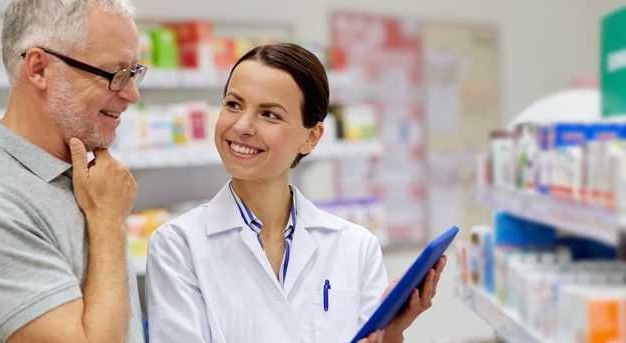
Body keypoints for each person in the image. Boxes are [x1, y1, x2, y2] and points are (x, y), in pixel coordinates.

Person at [145, 43, 446, 343]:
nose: (242, 126)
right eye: (234, 105)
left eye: (270, 115)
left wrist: (392, 334)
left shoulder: (356, 247)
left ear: (311, 137)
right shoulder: (178, 245)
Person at [0, 0, 146, 341]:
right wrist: (107, 223)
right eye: (115, 75)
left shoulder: (85, 180)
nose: (132, 94)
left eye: (134, 73)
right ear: (39, 68)